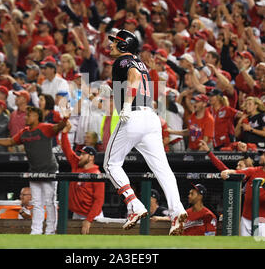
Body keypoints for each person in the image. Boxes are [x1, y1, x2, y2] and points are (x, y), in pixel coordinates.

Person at [102, 29, 187, 235]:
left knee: (110, 164)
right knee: (163, 169)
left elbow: (134, 77)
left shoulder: (122, 61)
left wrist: (127, 104)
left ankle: (134, 205)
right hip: (151, 117)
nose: (111, 44)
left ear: (124, 46)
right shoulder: (140, 63)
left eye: (115, 42)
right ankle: (177, 211)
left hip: (133, 116)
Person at [0, 106, 69, 235]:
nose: (26, 117)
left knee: (49, 202)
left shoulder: (45, 128)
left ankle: (51, 231)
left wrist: (65, 118)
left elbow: (58, 127)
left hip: (49, 170)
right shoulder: (24, 132)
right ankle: (36, 231)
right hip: (34, 171)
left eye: (29, 115)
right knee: (37, 203)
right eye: (26, 115)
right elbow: (11, 141)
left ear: (37, 117)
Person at [60, 121, 105, 235]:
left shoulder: (96, 174)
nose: (80, 156)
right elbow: (67, 150)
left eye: (83, 154)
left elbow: (99, 201)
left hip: (93, 215)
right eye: (80, 154)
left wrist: (89, 220)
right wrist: (64, 133)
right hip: (77, 213)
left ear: (91, 157)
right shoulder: (77, 164)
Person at [151, 184, 217, 236]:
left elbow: (210, 236)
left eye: (192, 194)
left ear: (200, 196)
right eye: (189, 193)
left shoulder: (208, 215)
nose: (189, 196)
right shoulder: (186, 213)